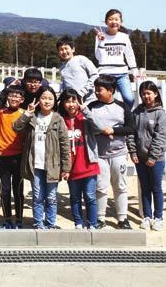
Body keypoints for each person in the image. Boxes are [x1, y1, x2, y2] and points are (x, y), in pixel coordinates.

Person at [13, 86, 71, 229]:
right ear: (38, 99)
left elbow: (64, 144)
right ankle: (38, 223)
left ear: (55, 101)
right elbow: (16, 127)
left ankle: (50, 224)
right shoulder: (32, 117)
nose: (47, 101)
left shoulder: (58, 119)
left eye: (50, 98)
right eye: (44, 98)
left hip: (53, 165)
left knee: (51, 198)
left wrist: (66, 167)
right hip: (35, 164)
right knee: (38, 197)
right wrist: (27, 113)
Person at [88, 74, 135, 229]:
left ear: (111, 90)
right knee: (101, 187)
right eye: (95, 89)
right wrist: (100, 131)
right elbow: (86, 126)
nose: (96, 92)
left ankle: (123, 218)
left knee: (120, 186)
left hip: (119, 154)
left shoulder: (122, 107)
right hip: (99, 155)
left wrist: (114, 130)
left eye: (99, 90)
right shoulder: (92, 107)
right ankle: (100, 218)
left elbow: (131, 128)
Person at [58, 88, 101, 229]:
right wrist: (63, 168)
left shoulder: (85, 118)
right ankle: (78, 222)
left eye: (74, 101)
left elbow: (99, 127)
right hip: (71, 167)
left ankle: (93, 224)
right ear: (63, 103)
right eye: (67, 101)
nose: (71, 104)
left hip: (88, 165)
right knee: (75, 197)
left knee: (90, 196)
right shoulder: (60, 120)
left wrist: (85, 110)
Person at [129, 81, 166, 231]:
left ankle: (158, 217)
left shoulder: (160, 113)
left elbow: (160, 137)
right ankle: (147, 216)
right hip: (140, 157)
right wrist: (133, 151)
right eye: (143, 93)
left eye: (148, 93)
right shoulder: (137, 112)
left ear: (155, 94)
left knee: (156, 187)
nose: (146, 96)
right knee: (145, 188)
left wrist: (153, 156)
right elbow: (131, 133)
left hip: (156, 159)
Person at [0, 84, 26, 229]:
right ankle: (7, 219)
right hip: (2, 157)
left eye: (17, 96)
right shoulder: (0, 113)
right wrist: (4, 93)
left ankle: (19, 220)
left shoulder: (24, 114)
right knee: (5, 190)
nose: (14, 98)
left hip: (19, 157)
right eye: (11, 95)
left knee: (18, 190)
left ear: (22, 99)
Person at [94, 9, 142, 108]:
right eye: (111, 19)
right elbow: (98, 57)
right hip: (106, 74)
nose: (114, 22)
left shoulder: (124, 37)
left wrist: (135, 71)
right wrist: (100, 42)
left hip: (122, 73)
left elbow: (129, 55)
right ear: (106, 21)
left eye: (116, 19)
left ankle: (125, 117)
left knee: (129, 98)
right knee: (112, 101)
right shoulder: (99, 37)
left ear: (121, 22)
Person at [57, 36, 99, 103]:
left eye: (66, 48)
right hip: (73, 103)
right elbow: (63, 85)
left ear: (73, 49)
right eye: (61, 49)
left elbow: (95, 75)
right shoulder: (61, 68)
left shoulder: (81, 59)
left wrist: (83, 91)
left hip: (89, 100)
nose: (64, 52)